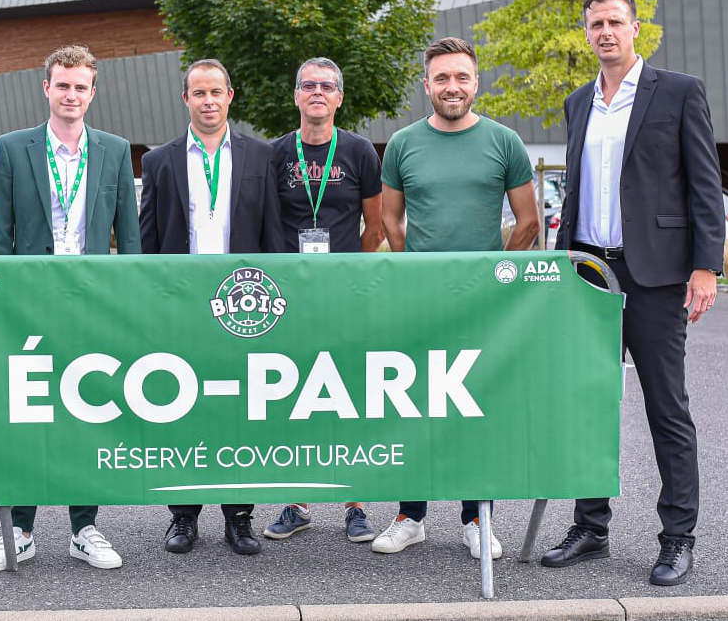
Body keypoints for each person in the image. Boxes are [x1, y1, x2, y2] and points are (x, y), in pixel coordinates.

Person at [541, 0, 724, 587]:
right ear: (586, 33)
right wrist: (563, 259)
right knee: (589, 402)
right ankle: (590, 526)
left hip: (654, 275)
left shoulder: (678, 92)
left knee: (666, 408)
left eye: (615, 22)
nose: (605, 33)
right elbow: (575, 191)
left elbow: (704, 185)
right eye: (595, 24)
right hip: (590, 273)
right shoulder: (578, 103)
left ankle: (677, 538)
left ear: (636, 28)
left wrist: (706, 266)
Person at [376, 37, 539, 558]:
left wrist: (494, 275)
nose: (452, 87)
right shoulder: (402, 143)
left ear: (476, 82)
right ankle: (411, 515)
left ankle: (477, 518)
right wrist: (417, 271)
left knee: (475, 406)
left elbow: (529, 221)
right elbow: (389, 219)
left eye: (461, 77)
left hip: (482, 304)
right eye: (441, 78)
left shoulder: (503, 141)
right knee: (414, 404)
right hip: (419, 299)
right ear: (426, 85)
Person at [0, 44, 139, 571]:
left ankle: (84, 527)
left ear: (93, 92)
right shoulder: (13, 147)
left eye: (81, 86)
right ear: (46, 88)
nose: (71, 94)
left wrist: (124, 305)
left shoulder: (115, 150)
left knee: (88, 411)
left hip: (92, 303)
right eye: (63, 84)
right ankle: (20, 529)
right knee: (28, 413)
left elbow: (130, 243)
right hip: (28, 302)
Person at [138, 58, 286, 555]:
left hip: (244, 303)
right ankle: (182, 516)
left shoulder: (260, 157)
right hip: (179, 304)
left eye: (216, 92)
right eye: (198, 93)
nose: (207, 101)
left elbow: (273, 235)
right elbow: (148, 240)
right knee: (180, 409)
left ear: (230, 96)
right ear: (186, 99)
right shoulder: (158, 160)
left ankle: (240, 516)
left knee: (242, 410)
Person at [263, 57, 383, 544]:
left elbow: (374, 226)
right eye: (307, 85)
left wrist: (349, 271)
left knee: (346, 394)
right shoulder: (275, 155)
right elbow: (266, 222)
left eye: (326, 86)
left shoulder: (358, 152)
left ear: (338, 97)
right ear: (295, 96)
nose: (317, 92)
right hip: (290, 297)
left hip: (344, 294)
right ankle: (297, 501)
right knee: (295, 395)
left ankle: (355, 502)